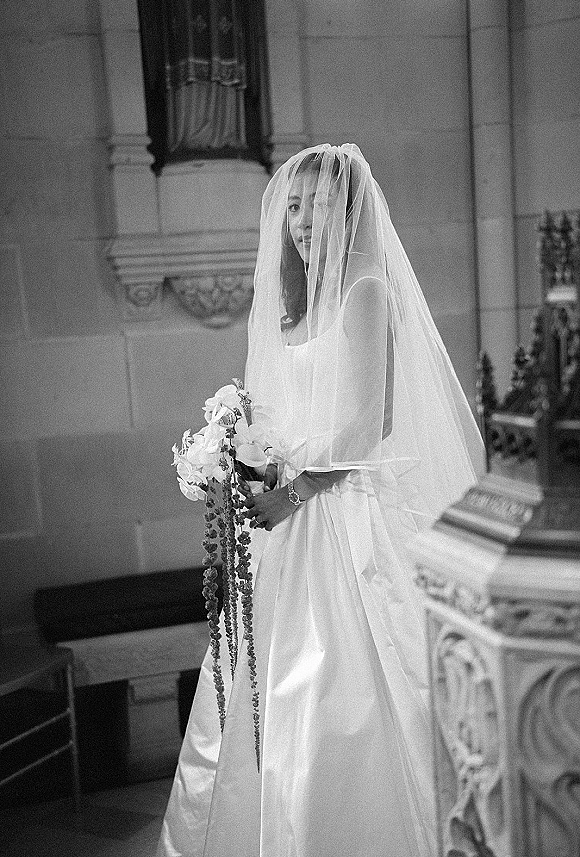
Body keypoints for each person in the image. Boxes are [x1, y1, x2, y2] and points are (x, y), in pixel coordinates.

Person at [156, 144, 484, 857]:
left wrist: (297, 487)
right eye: (294, 207)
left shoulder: (368, 290)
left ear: (351, 207)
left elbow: (367, 420)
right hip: (290, 517)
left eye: (318, 203)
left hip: (341, 514)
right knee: (266, 692)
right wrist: (238, 459)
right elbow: (284, 417)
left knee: (336, 688)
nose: (302, 221)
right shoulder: (300, 303)